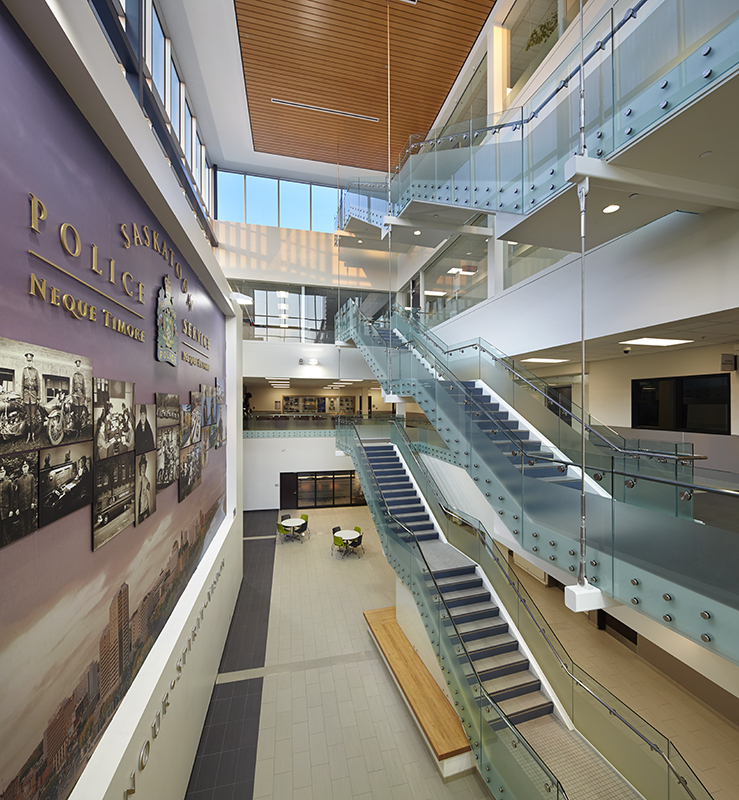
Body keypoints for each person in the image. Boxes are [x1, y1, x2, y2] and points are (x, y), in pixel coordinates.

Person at [22, 352, 41, 443]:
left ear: (32, 361)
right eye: (28, 361)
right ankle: (28, 435)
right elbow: (22, 385)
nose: (29, 363)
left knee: (33, 417)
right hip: (26, 396)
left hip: (33, 396)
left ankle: (33, 435)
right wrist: (22, 398)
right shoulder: (24, 371)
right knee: (27, 417)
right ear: (26, 361)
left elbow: (39, 385)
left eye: (30, 361)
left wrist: (38, 397)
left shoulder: (35, 371)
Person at [15, 460, 36, 536]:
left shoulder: (31, 477)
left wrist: (33, 502)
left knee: (29, 525)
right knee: (23, 526)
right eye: (23, 467)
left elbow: (33, 490)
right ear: (21, 468)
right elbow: (17, 495)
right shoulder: (18, 480)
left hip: (29, 505)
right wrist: (17, 508)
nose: (25, 469)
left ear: (28, 467)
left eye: (26, 467)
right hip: (22, 506)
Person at [0, 465, 15, 547]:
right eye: (0, 473)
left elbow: (11, 497)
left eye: (2, 472)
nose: (1, 474)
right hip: (0, 512)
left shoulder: (8, 483)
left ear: (4, 473)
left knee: (6, 531)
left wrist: (11, 510)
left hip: (6, 511)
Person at [71, 359, 86, 436]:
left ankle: (80, 430)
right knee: (76, 415)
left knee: (80, 415)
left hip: (81, 397)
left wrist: (84, 397)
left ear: (80, 368)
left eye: (79, 367)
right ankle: (76, 430)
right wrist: (72, 396)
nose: (78, 369)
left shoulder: (82, 376)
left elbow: (84, 387)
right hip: (76, 397)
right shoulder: (74, 376)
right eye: (77, 367)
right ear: (75, 368)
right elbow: (72, 387)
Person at [137, 453, 151, 524]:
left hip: (144, 513)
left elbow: (149, 498)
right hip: (140, 514)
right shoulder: (139, 483)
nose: (143, 469)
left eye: (144, 467)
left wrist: (149, 513)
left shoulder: (146, 482)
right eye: (142, 466)